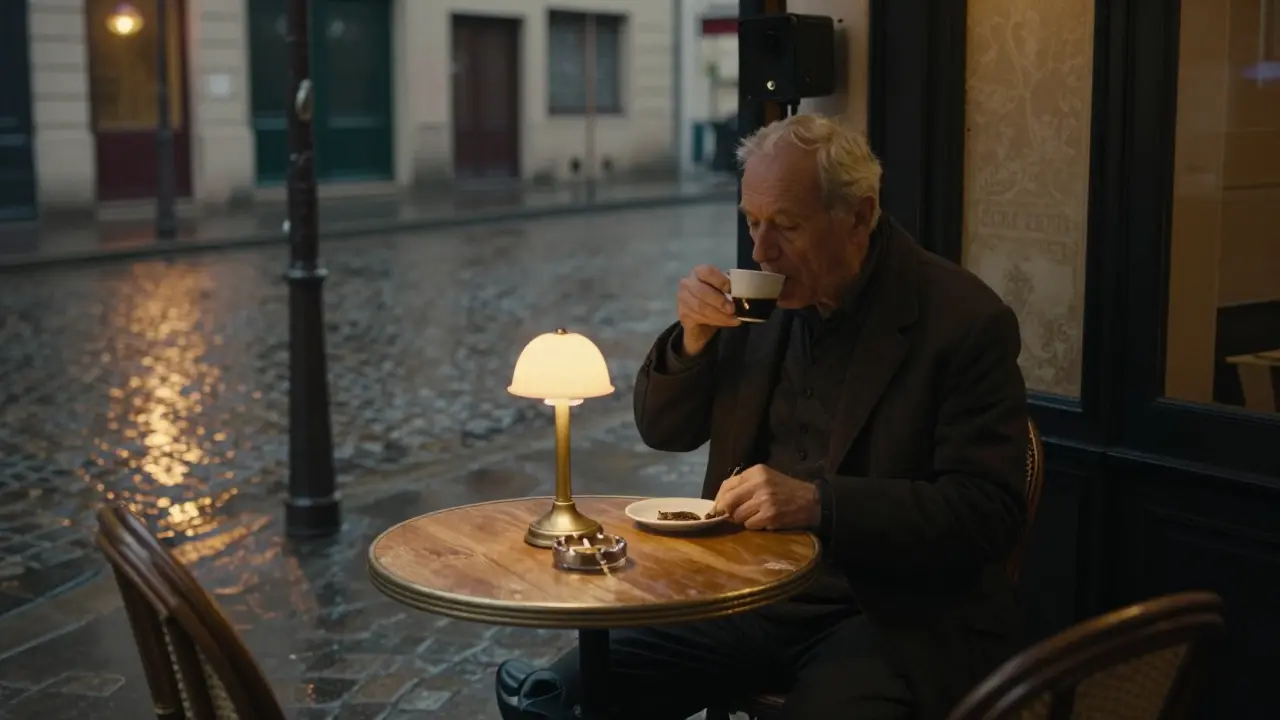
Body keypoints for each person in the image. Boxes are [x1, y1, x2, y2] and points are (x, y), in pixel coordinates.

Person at [496, 114, 1029, 720]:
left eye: (787, 226)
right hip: (745, 595)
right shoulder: (758, 298)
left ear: (859, 215)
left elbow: (988, 513)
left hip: (885, 613)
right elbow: (663, 432)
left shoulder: (962, 320)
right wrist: (691, 339)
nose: (761, 249)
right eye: (752, 221)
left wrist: (820, 504)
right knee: (559, 700)